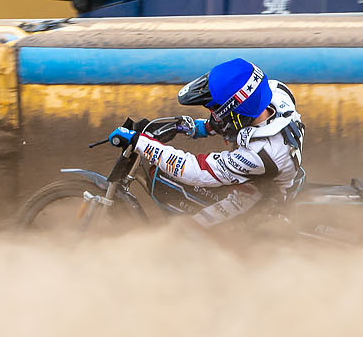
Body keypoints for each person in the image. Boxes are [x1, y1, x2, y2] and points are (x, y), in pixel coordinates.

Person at [107, 56, 305, 228]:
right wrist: (198, 127)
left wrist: (141, 142)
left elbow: (194, 170)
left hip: (261, 199)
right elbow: (238, 117)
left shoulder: (259, 153)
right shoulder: (276, 93)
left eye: (215, 111)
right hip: (270, 177)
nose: (214, 115)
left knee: (184, 230)